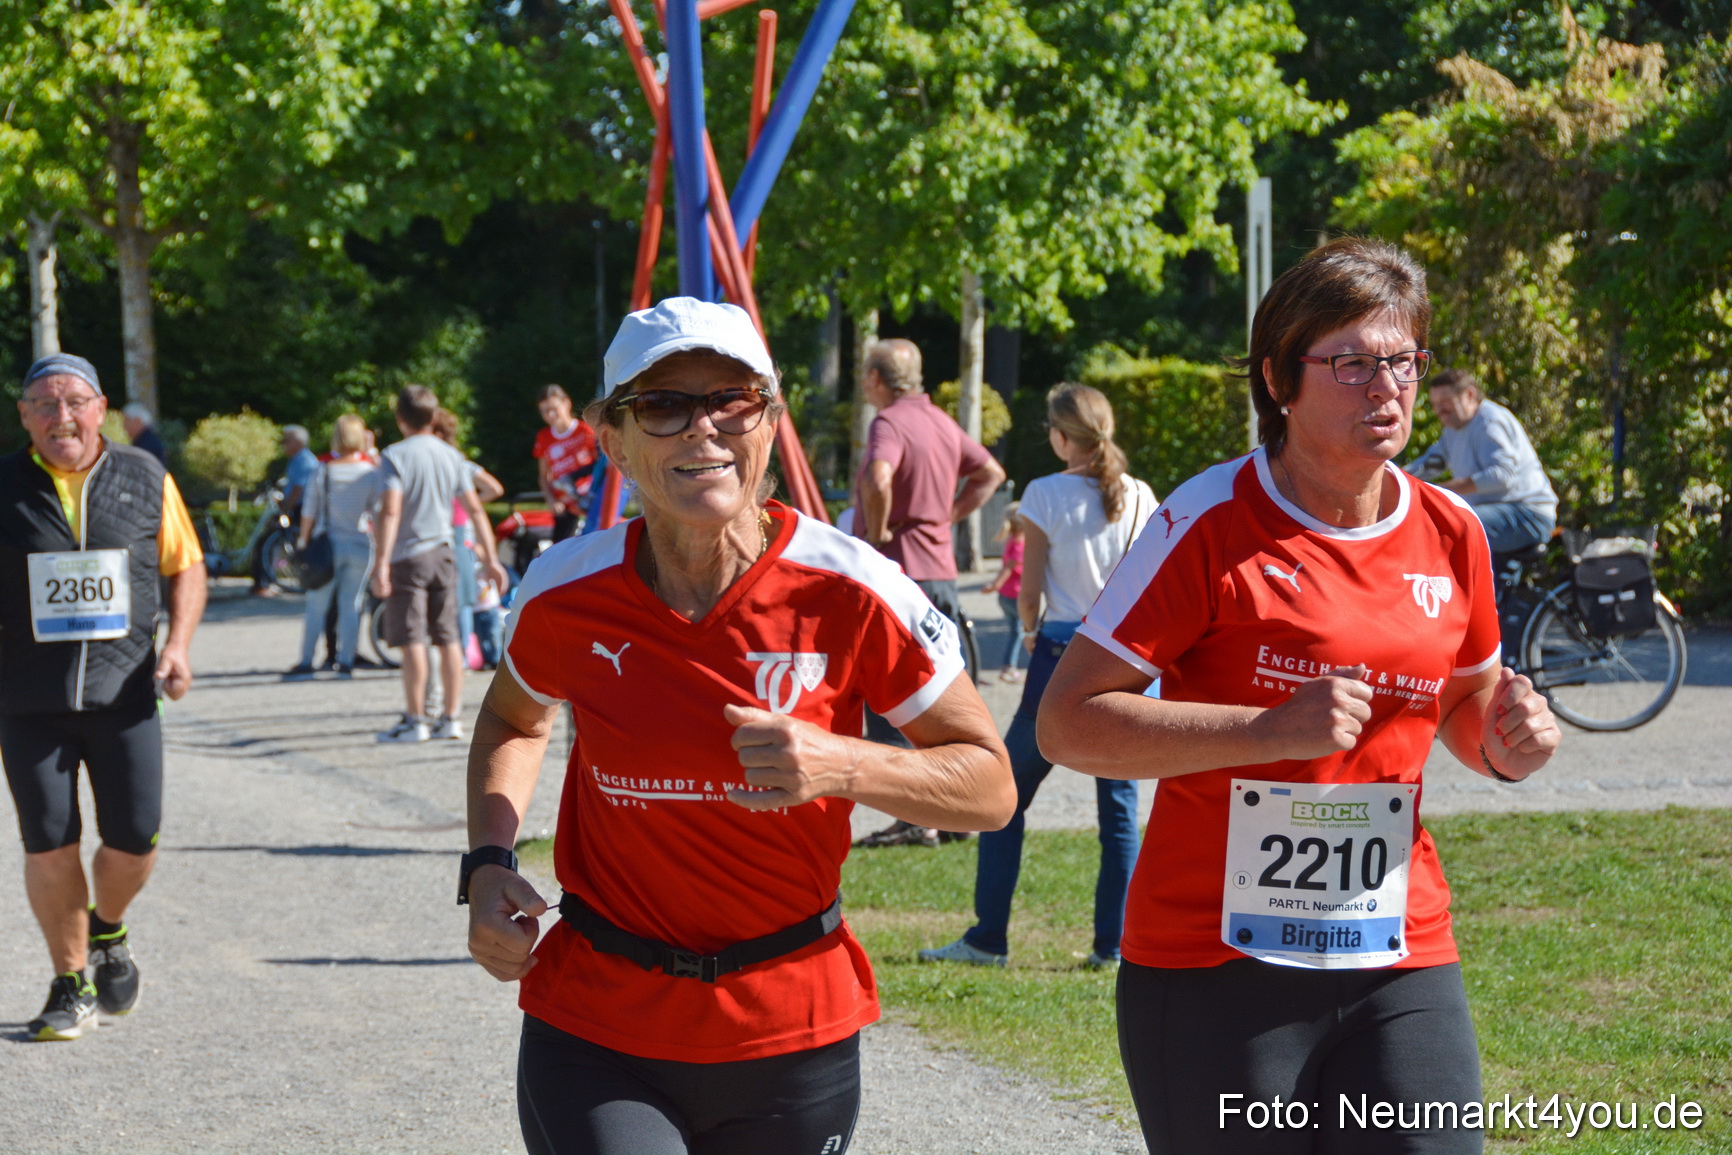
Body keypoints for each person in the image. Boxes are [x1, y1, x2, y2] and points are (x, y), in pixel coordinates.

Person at [1037, 238, 1562, 1154]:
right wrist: (1265, 728)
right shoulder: (1207, 522)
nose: (1386, 387)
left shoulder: (1452, 532)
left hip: (1397, 947)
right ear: (1280, 378)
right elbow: (1067, 722)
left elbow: (1465, 706)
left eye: (1402, 361)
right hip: (1214, 966)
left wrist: (1507, 741)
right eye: (1352, 363)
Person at [462, 296, 1014, 1155]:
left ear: (771, 417)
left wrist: (842, 765)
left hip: (789, 1028)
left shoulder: (855, 588)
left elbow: (989, 785)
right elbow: (511, 716)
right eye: (663, 406)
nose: (702, 429)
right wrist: (489, 858)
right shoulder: (564, 591)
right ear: (613, 440)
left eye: (731, 400)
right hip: (602, 1024)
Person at [1, 353, 207, 1041]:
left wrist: (176, 646)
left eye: (74, 402)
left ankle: (109, 928)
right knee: (48, 842)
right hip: (28, 700)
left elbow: (187, 567)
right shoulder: (4, 484)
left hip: (124, 693)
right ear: (25, 417)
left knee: (133, 841)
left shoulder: (145, 476)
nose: (61, 416)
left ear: (101, 409)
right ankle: (69, 983)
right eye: (44, 405)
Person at [922, 384, 1156, 970]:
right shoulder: (1139, 494)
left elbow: (1031, 594)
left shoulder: (1044, 493)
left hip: (1060, 656)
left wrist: (1028, 632)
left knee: (1003, 795)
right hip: (1122, 659)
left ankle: (988, 938)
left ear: (1059, 436)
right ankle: (1114, 946)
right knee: (1119, 809)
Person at [851, 338, 1005, 847]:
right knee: (942, 697)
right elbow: (990, 472)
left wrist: (875, 536)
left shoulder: (889, 423)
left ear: (876, 379)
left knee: (891, 696)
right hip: (939, 573)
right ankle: (952, 810)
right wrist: (950, 516)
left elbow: (878, 475)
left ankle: (916, 817)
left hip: (899, 574)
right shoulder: (939, 420)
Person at [370, 386, 509, 743]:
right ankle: (452, 717)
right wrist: (492, 559)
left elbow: (391, 510)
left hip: (407, 555)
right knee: (449, 637)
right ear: (433, 418)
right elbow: (476, 509)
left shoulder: (394, 455)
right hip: (445, 552)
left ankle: (415, 719)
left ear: (400, 419)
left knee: (413, 637)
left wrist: (381, 562)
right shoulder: (451, 455)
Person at [1404, 369, 1557, 553]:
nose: (1439, 410)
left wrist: (1441, 492)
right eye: (1435, 403)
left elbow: (1502, 476)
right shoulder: (1453, 429)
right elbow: (1430, 463)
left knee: (1449, 525)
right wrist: (1394, 476)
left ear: (1470, 395)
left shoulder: (1489, 422)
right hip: (1496, 512)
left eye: (1445, 401)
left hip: (1528, 513)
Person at [290, 415, 382, 677]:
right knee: (351, 606)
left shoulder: (324, 470)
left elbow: (309, 511)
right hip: (360, 545)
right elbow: (378, 513)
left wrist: (303, 542)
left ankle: (306, 660)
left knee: (316, 606)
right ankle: (346, 660)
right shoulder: (371, 473)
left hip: (327, 545)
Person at [431, 407, 506, 664]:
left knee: (457, 595)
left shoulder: (449, 462)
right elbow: (494, 488)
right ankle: (460, 652)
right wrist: (470, 500)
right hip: (462, 530)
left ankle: (460, 651)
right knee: (461, 595)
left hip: (452, 530)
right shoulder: (460, 461)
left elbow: (495, 488)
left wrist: (467, 502)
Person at [252, 424, 319, 598]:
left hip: (302, 510)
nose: (283, 444)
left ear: (298, 442)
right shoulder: (297, 460)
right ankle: (263, 582)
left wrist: (285, 510)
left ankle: (264, 583)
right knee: (273, 542)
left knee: (272, 542)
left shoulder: (304, 460)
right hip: (299, 508)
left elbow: (298, 489)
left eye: (286, 441)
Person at [534, 385, 599, 543]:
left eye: (554, 408)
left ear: (566, 403)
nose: (550, 414)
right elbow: (543, 477)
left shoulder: (586, 430)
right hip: (565, 508)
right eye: (544, 411)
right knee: (561, 552)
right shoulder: (544, 437)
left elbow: (601, 465)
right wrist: (552, 501)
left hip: (590, 502)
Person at [983, 503, 1027, 683]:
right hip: (1015, 596)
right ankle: (1009, 667)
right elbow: (1008, 569)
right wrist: (994, 584)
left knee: (1015, 630)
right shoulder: (1020, 545)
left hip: (1005, 596)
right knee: (1019, 632)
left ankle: (1009, 666)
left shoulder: (1011, 541)